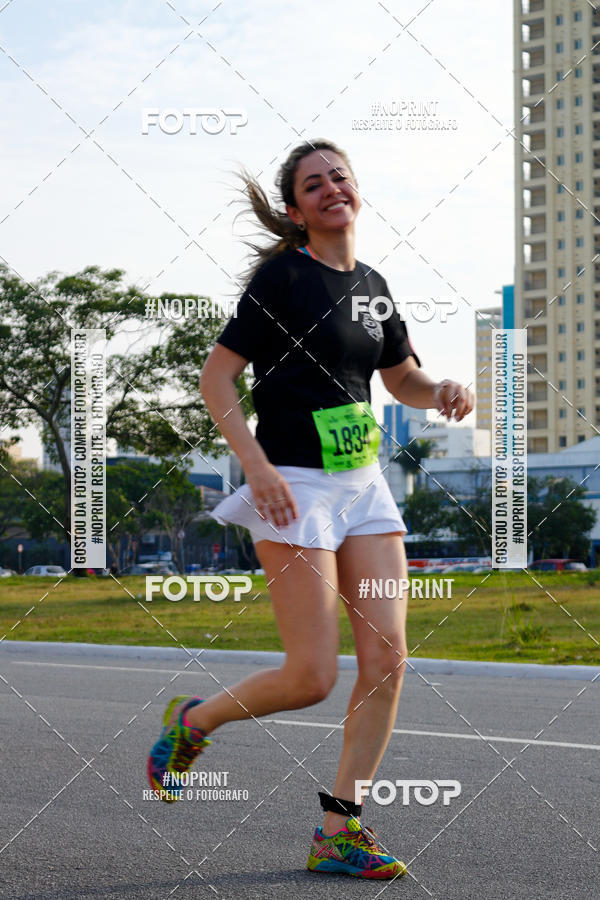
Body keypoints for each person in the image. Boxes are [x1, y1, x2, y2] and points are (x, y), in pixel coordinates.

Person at [148, 139, 474, 880]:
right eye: (313, 184)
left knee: (388, 659)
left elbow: (401, 378)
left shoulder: (374, 285)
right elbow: (218, 378)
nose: (331, 188)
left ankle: (339, 831)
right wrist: (255, 467)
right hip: (293, 484)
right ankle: (192, 722)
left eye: (340, 177)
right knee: (312, 677)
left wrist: (443, 388)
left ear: (355, 192)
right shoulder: (282, 279)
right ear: (296, 211)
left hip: (364, 485)